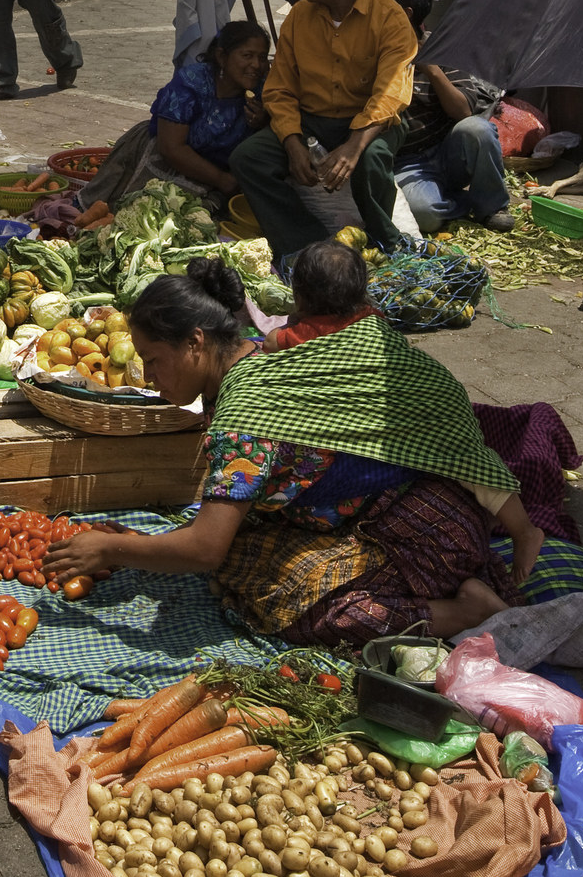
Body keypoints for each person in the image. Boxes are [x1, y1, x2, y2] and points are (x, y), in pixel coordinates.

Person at [43, 257, 544, 646]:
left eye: (154, 360)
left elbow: (204, 547)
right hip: (408, 511)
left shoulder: (245, 415)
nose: (148, 378)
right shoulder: (262, 357)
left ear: (195, 342)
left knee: (296, 611)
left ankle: (462, 611)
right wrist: (138, 547)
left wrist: (114, 549)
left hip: (423, 533)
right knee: (240, 567)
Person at [230, 0, 416, 262]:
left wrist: (354, 146)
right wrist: (291, 141)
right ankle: (306, 246)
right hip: (313, 119)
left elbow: (391, 95)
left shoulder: (390, 18)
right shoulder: (299, 17)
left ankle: (380, 243)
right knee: (249, 158)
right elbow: (280, 88)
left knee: (370, 161)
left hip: (370, 123)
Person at [373, 0, 515, 233]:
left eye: (378, 4)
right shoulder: (372, 52)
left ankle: (493, 206)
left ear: (404, 14)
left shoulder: (440, 47)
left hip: (447, 150)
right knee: (424, 215)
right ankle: (465, 202)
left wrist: (431, 68)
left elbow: (463, 112)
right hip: (407, 162)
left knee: (478, 129)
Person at [145, 21, 271, 202]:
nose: (257, 65)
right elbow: (171, 147)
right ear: (222, 57)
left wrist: (263, 123)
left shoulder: (263, 91)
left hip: (227, 178)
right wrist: (222, 180)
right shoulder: (190, 84)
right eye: (247, 55)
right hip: (169, 165)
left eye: (262, 57)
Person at [263, 238, 379, 352]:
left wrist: (294, 320)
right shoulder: (372, 318)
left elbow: (269, 343)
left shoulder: (304, 333)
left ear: (299, 296)